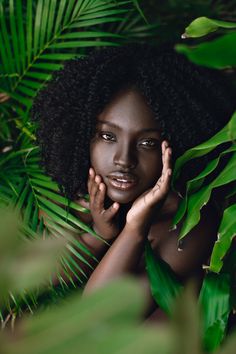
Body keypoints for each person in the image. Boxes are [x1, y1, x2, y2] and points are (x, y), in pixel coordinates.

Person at [32, 44, 235, 319]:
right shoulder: (97, 195)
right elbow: (41, 279)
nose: (124, 160)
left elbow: (99, 317)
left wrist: (135, 229)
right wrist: (101, 235)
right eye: (107, 136)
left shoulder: (190, 228)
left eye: (148, 142)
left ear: (176, 145)